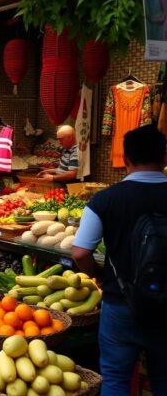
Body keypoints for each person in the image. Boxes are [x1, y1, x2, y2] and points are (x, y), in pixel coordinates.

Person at [72, 125, 167, 395]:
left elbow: (80, 252)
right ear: (164, 158)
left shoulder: (105, 200)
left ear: (125, 160)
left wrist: (100, 275)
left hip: (120, 302)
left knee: (115, 378)